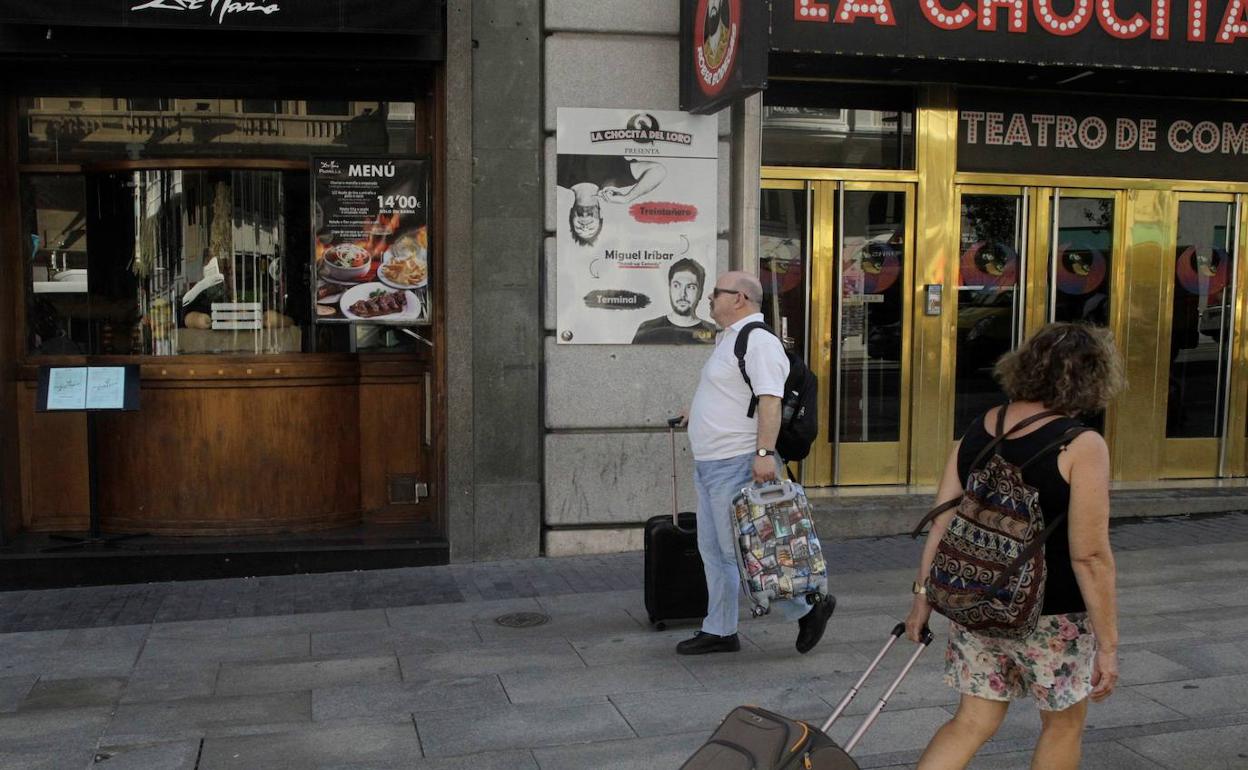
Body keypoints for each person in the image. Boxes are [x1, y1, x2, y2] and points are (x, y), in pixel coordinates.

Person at [905, 322, 1125, 770]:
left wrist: (922, 599)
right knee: (1062, 726)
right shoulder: (1082, 445)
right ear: (1092, 377)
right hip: (1053, 615)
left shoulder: (979, 428)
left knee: (970, 723)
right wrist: (1108, 645)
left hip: (976, 601)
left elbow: (942, 521)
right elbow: (1090, 555)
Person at [675, 270, 835, 655]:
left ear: (740, 299)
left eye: (717, 293)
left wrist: (763, 454)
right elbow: (731, 393)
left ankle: (809, 607)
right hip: (711, 463)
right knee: (713, 550)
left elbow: (770, 400)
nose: (710, 298)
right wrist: (695, 413)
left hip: (737, 463)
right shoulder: (728, 338)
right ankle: (720, 629)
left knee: (743, 552)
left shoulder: (758, 341)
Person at [555, 154, 666, 247]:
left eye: (579, 228)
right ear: (601, 214)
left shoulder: (556, 176)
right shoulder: (615, 178)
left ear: (570, 214)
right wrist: (627, 198)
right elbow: (658, 170)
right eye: (591, 228)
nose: (585, 226)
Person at [632, 258, 717, 344]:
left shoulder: (713, 333)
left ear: (700, 292)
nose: (682, 294)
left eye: (690, 287)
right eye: (676, 285)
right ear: (670, 289)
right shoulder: (647, 330)